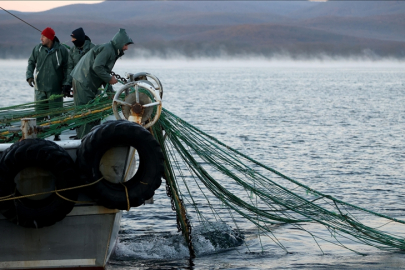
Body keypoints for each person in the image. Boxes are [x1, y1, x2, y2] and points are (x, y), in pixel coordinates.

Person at [70, 28, 133, 138]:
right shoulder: (108, 50)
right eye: (125, 44)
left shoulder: (112, 51)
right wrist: (109, 79)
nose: (127, 48)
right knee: (86, 112)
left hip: (86, 81)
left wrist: (110, 93)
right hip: (83, 80)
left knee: (91, 111)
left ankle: (90, 136)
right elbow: (97, 67)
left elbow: (104, 70)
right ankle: (83, 139)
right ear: (119, 43)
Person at [26, 27, 69, 141]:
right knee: (39, 114)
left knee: (56, 114)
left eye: (43, 36)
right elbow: (31, 62)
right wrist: (29, 76)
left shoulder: (62, 50)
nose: (41, 38)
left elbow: (68, 68)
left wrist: (66, 84)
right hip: (40, 88)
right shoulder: (38, 49)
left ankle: (56, 135)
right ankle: (39, 137)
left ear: (50, 37)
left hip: (55, 89)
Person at [63, 27, 95, 97]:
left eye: (73, 38)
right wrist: (68, 84)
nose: (72, 41)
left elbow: (99, 68)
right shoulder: (72, 51)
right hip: (77, 85)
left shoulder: (93, 49)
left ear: (79, 38)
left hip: (92, 86)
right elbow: (70, 68)